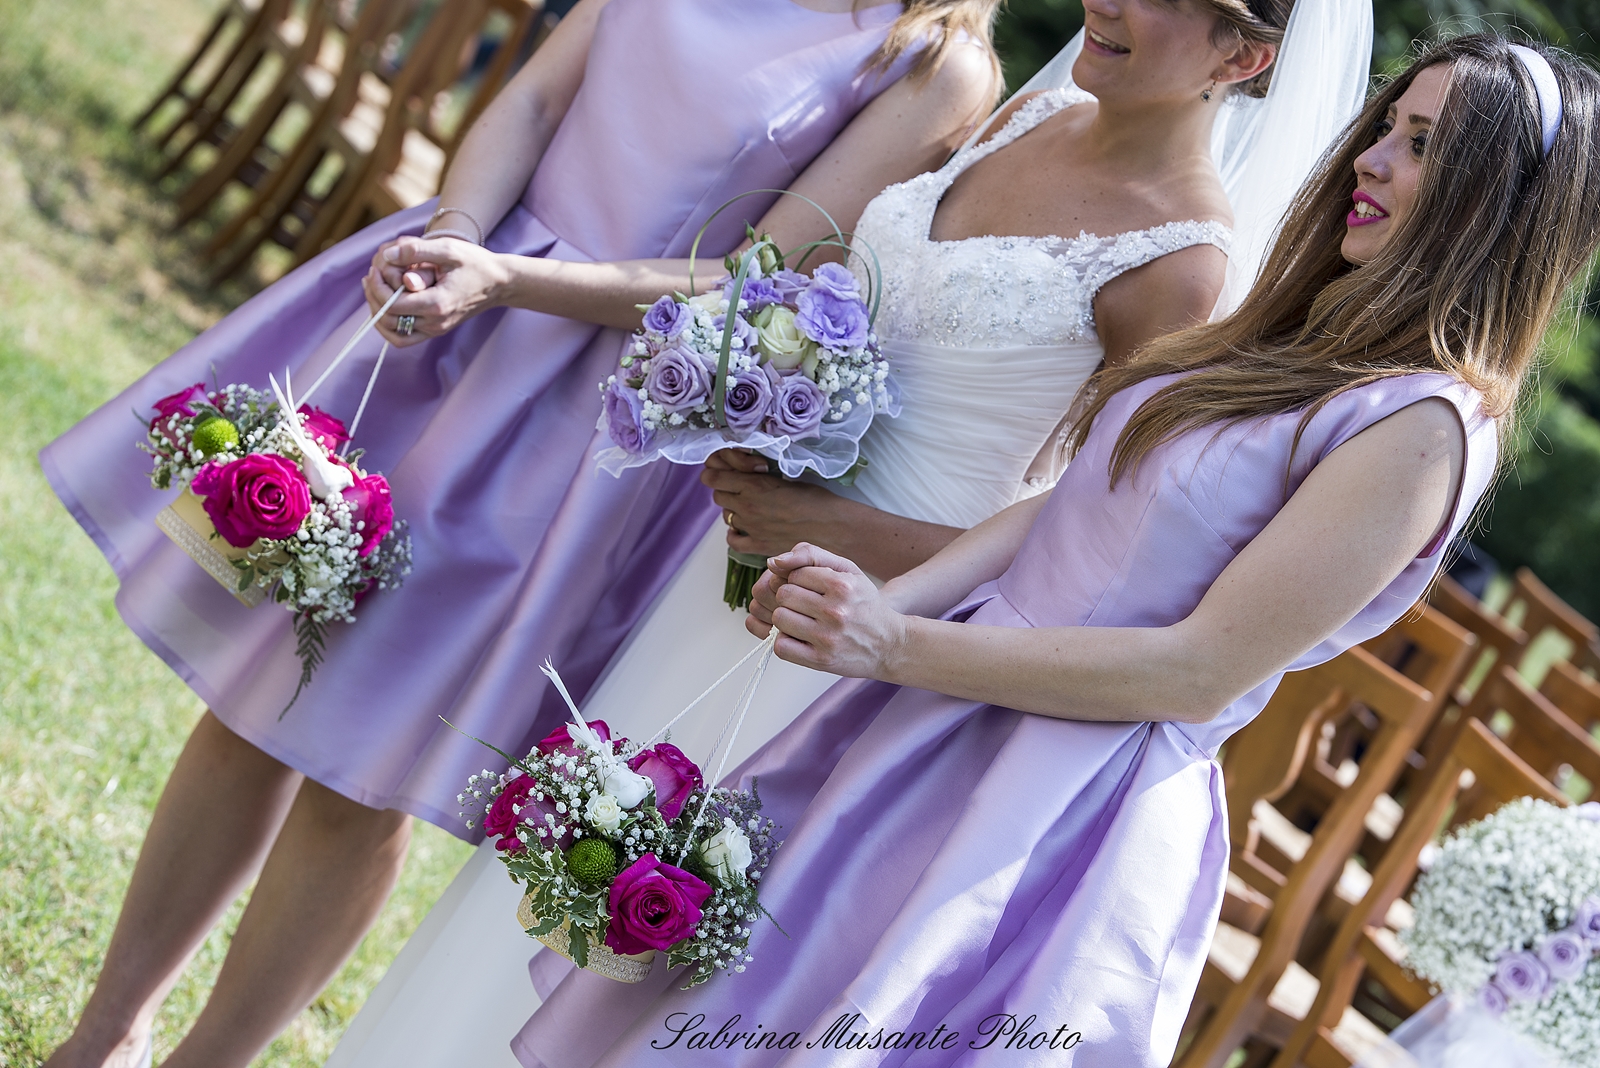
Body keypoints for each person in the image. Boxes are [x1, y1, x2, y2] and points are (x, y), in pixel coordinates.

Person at [505, 32, 1600, 1068]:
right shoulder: (1291, 336)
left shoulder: (1420, 427)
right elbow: (1071, 503)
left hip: (1058, 801)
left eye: (1423, 147)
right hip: (943, 704)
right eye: (1387, 125)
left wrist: (895, 642)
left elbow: (1196, 668)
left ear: (1496, 209)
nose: (1369, 158)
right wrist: (876, 601)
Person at [329, 0, 1372, 1060]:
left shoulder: (1184, 264)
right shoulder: (1027, 116)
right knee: (571, 877)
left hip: (864, 638)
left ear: (1244, 54)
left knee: (676, 958)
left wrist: (848, 535)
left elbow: (1083, 526)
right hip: (727, 574)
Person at [37, 0, 1005, 1064]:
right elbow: (537, 94)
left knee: (363, 768)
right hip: (444, 323)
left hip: (590, 421)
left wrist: (512, 280)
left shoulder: (930, 63)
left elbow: (746, 280)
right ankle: (101, 1038)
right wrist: (456, 236)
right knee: (252, 696)